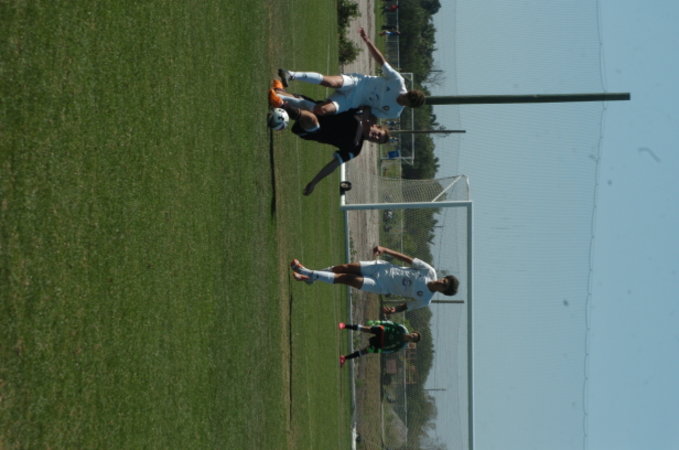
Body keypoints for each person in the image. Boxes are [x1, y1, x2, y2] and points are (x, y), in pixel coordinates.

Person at [268, 81, 390, 195]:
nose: (375, 137)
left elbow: (333, 165)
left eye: (377, 140)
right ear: (377, 126)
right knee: (293, 98)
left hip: (313, 130)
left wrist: (314, 182)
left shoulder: (355, 148)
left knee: (311, 119)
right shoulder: (360, 112)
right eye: (378, 134)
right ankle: (280, 92)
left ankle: (281, 104)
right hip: (317, 108)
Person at [276, 28, 425, 119]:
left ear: (409, 106)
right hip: (357, 82)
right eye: (405, 95)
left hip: (352, 101)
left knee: (321, 110)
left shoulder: (394, 112)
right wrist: (367, 41)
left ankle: (282, 99)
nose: (402, 98)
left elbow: (369, 112)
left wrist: (360, 116)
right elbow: (381, 61)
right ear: (408, 92)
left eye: (405, 101)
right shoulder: (398, 81)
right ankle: (290, 74)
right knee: (330, 82)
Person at [290, 245, 459, 313]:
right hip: (381, 267)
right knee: (344, 268)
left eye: (444, 286)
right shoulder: (429, 271)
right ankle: (310, 277)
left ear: (443, 292)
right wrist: (385, 249)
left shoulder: (425, 299)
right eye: (443, 280)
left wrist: (394, 311)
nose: (440, 282)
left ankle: (305, 271)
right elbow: (407, 259)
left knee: (346, 278)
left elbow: (407, 306)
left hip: (380, 285)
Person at [338, 320, 420, 367]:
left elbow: (391, 350)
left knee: (365, 351)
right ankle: (345, 326)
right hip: (382, 331)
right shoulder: (403, 329)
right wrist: (378, 322)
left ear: (412, 341)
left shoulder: (402, 345)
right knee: (365, 329)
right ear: (412, 332)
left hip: (381, 343)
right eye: (413, 335)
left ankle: (344, 358)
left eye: (413, 338)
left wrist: (379, 350)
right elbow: (391, 324)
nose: (412, 337)